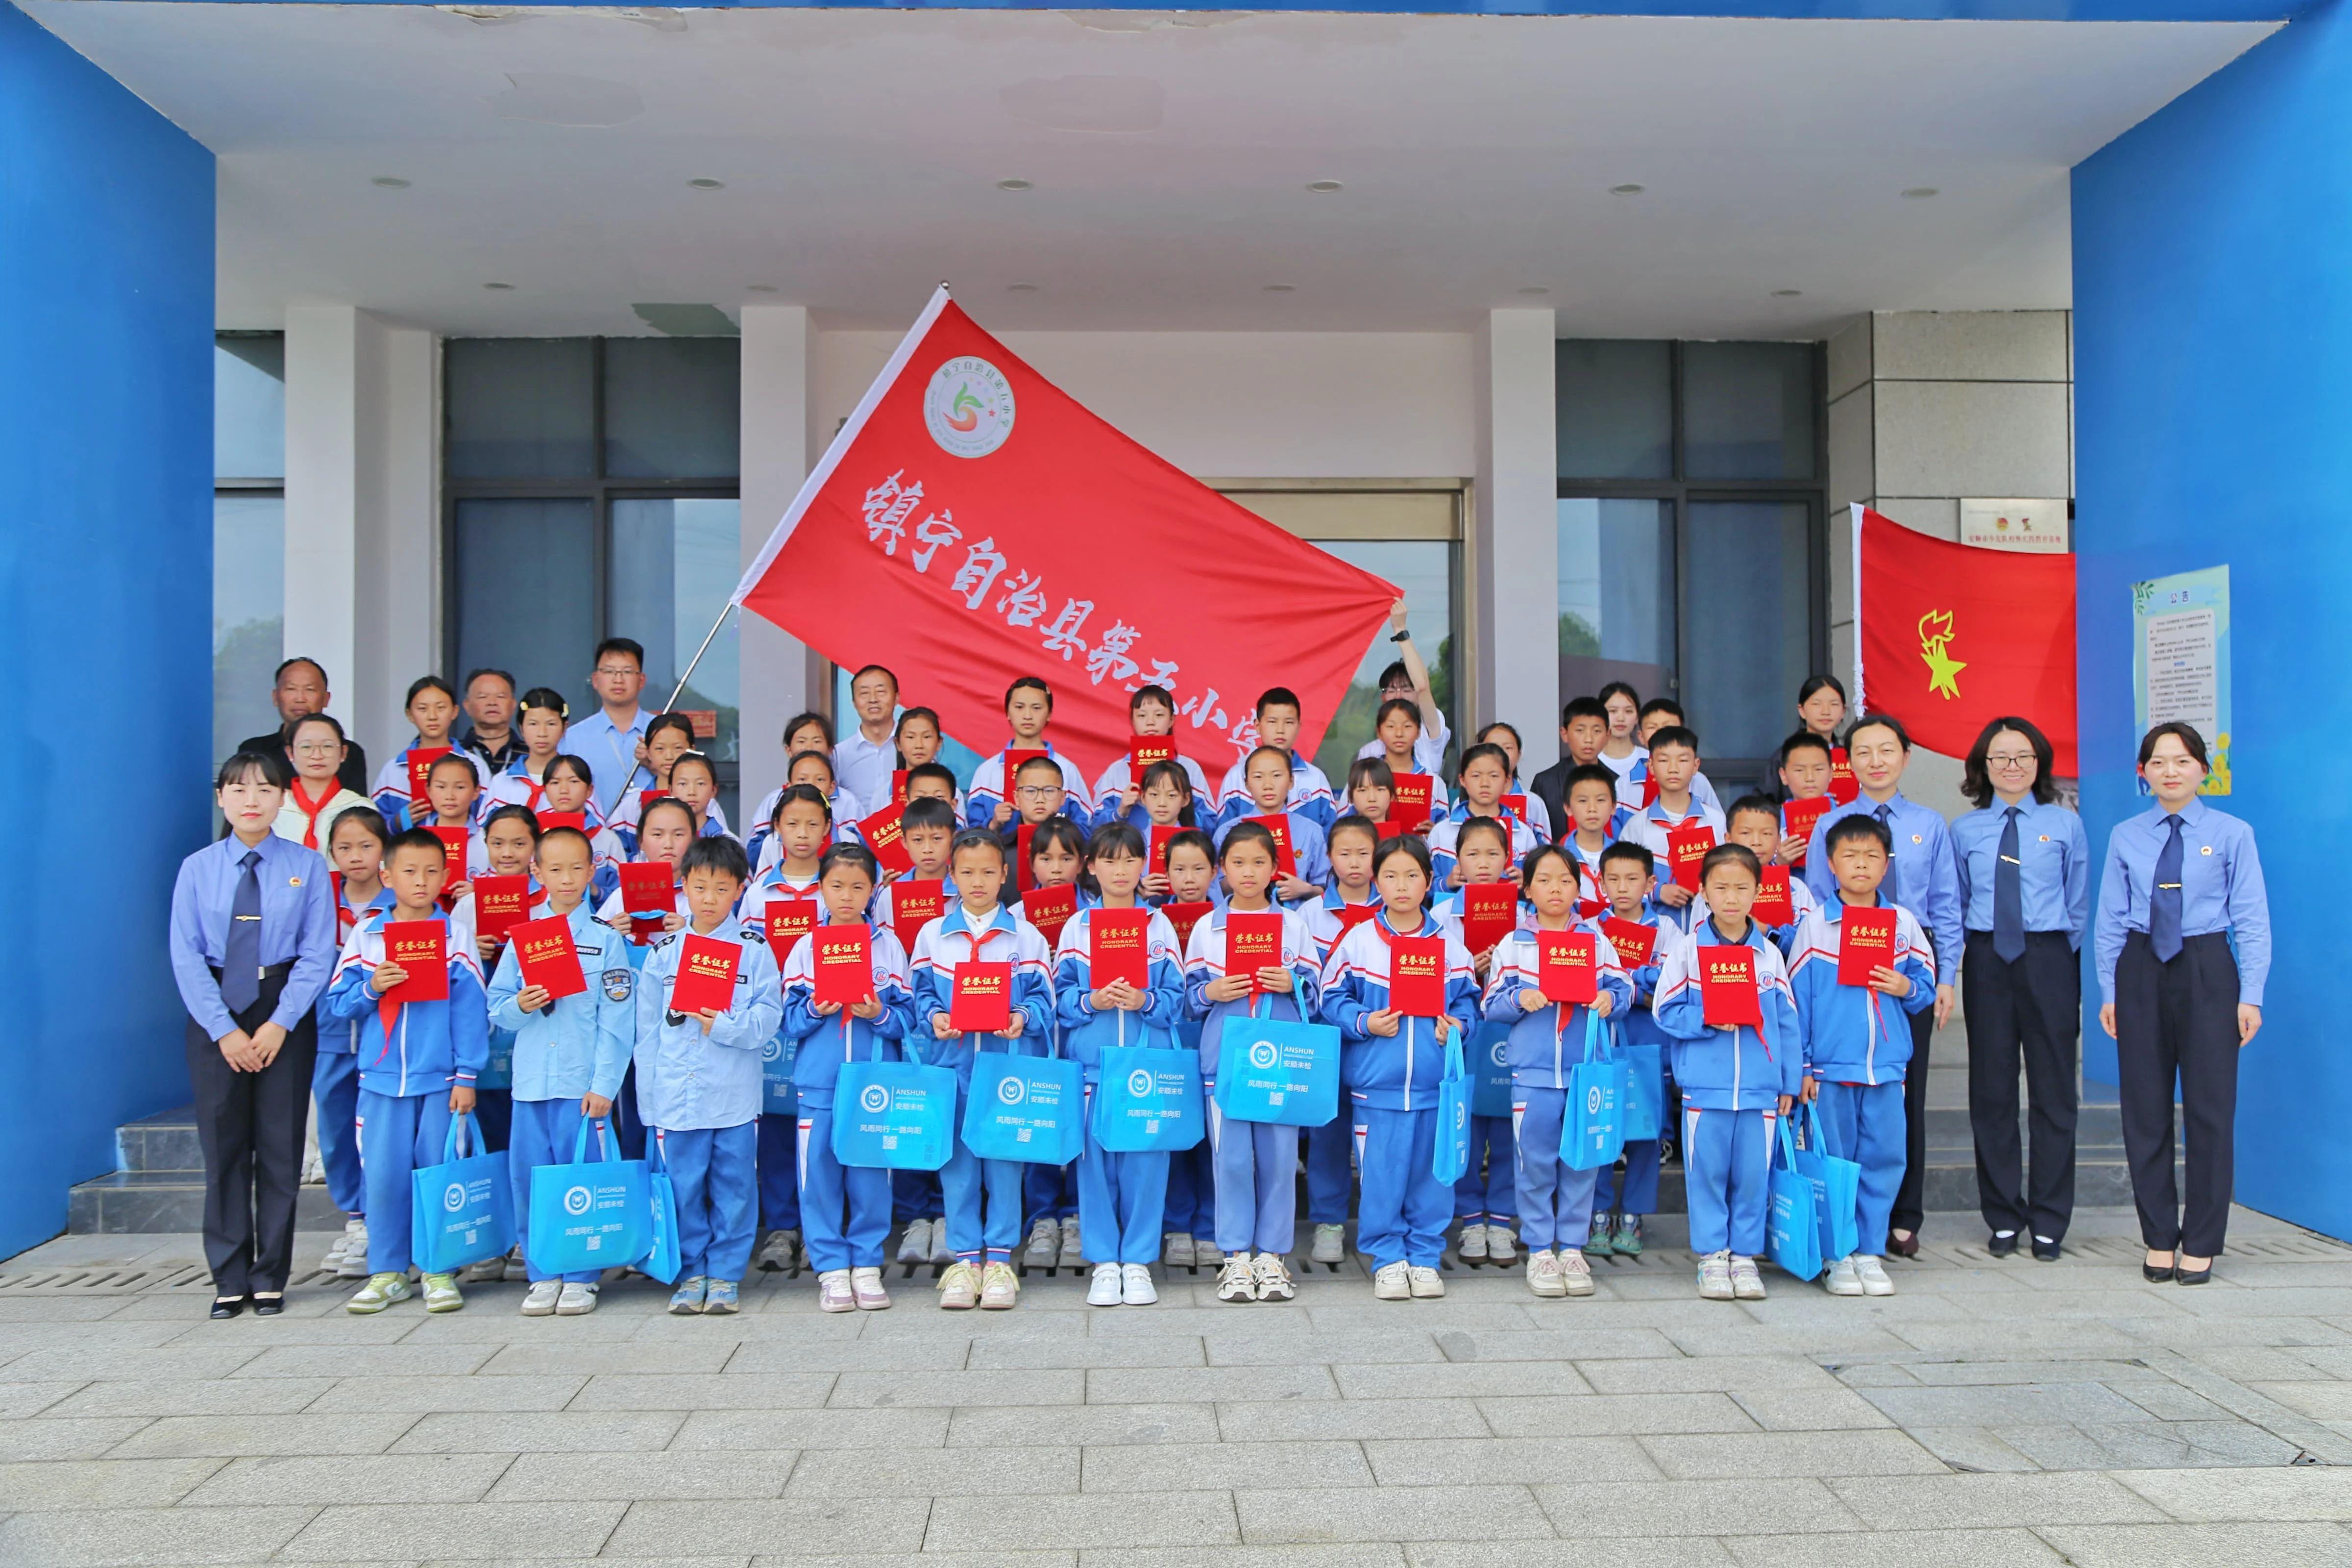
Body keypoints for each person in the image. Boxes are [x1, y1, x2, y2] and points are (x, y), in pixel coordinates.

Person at [2094, 722, 2269, 1286]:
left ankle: (2202, 1241)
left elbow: (2252, 918)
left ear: (2203, 769)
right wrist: (2109, 989)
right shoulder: (2126, 835)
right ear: (2142, 772)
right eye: (2158, 762)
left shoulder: (2233, 832)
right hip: (2140, 965)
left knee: (2210, 1109)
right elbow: (2109, 917)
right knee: (2144, 1109)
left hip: (2207, 965)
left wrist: (2251, 994)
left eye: (2183, 760)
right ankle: (2158, 1236)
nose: (2170, 771)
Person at [169, 750, 338, 1319]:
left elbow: (318, 951)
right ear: (221, 797)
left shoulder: (306, 865)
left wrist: (280, 1021)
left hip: (282, 1005)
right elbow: (186, 954)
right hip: (215, 1009)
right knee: (224, 1147)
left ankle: (270, 1274)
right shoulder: (197, 868)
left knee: (280, 1146)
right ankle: (228, 1275)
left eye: (264, 789)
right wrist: (224, 1029)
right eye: (239, 789)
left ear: (282, 798)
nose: (251, 800)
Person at [1801, 713, 1960, 1257]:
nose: (1876, 761)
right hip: (1839, 962)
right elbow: (1816, 896)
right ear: (1848, 761)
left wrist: (1945, 976)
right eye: (1863, 751)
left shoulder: (1929, 824)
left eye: (1887, 750)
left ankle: (1902, 1215)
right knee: (1845, 1093)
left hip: (1906, 962)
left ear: (1905, 757)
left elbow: (1946, 904)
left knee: (1902, 1091)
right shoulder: (1830, 823)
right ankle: (1846, 1222)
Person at [322, 826, 489, 1315]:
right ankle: (388, 1272)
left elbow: (471, 1011)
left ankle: (438, 1269)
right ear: (387, 875)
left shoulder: (454, 936)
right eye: (410, 871)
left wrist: (466, 1075)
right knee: (384, 1178)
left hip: (439, 1082)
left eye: (432, 871)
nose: (421, 881)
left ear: (445, 876)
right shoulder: (367, 935)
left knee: (438, 1175)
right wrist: (372, 986)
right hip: (380, 1083)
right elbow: (338, 1003)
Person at [1953, 715, 2092, 1261]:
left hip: (2049, 956)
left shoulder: (2065, 824)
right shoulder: (1965, 830)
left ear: (2039, 763)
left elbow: (2077, 901)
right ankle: (2004, 1215)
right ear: (1983, 766)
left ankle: (2051, 1218)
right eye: (2001, 758)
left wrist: (2054, 953)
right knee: (1991, 1092)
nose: (2012, 766)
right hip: (1988, 958)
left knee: (2054, 1092)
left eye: (2023, 757)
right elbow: (1960, 899)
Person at [1320, 834, 1479, 1301]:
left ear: (1429, 881)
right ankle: (1387, 1257)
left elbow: (1469, 1002)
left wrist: (1459, 1027)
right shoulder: (1359, 941)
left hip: (1434, 1087)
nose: (1402, 885)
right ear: (1377, 882)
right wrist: (1364, 1022)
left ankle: (1426, 1256)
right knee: (1382, 1179)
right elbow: (1331, 998)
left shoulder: (1449, 945)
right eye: (1391, 876)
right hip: (1378, 1089)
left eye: (1412, 876)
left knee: (1433, 1178)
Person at [485, 824, 635, 1317]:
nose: (567, 879)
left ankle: (582, 1275)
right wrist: (520, 1005)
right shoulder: (524, 938)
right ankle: (543, 1271)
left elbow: (618, 1020)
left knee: (581, 1179)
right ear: (537, 872)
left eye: (576, 868)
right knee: (531, 1181)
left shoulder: (605, 941)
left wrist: (604, 1084)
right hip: (532, 1083)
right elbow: (497, 1006)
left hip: (580, 1085)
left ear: (592, 871)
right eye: (555, 869)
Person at [1787, 814, 1936, 1297]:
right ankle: (1837, 1253)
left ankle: (1869, 1250)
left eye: (1872, 856)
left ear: (1886, 864)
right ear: (1831, 864)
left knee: (1884, 1159)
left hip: (1886, 1068)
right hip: (1831, 1069)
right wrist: (1803, 1066)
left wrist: (1905, 985)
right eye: (1850, 856)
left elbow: (1926, 988)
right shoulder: (1815, 926)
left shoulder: (1904, 924)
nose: (1861, 865)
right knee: (1835, 1163)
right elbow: (1797, 1002)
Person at [909, 829, 1057, 1310]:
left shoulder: (1026, 936)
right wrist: (936, 1017)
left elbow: (1044, 997)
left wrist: (1023, 1017)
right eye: (968, 872)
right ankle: (964, 1259)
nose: (978, 881)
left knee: (1004, 1166)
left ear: (1004, 874)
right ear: (952, 875)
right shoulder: (933, 934)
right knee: (957, 1169)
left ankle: (999, 1260)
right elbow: (920, 994)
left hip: (1005, 1072)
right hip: (952, 1070)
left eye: (989, 872)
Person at [637, 835, 781, 1316]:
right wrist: (648, 1100)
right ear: (684, 887)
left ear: (740, 889)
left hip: (733, 1096)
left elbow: (768, 1018)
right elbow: (647, 1033)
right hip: (676, 1094)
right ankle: (690, 1271)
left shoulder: (754, 950)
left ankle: (725, 1274)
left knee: (734, 1188)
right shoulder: (664, 953)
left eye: (722, 889)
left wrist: (723, 1025)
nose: (710, 899)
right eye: (700, 887)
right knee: (683, 1188)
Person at [1481, 843, 1631, 1298]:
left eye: (1566, 881)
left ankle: (1572, 1247)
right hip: (1533, 1074)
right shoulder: (1515, 944)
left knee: (1582, 1161)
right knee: (1534, 1162)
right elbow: (1490, 1004)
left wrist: (1609, 999)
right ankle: (1539, 1248)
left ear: (1578, 889)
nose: (1555, 889)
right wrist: (1518, 999)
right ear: (1527, 889)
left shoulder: (1596, 941)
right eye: (1544, 880)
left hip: (1585, 1073)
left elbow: (1624, 989)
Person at [1654, 844, 1801, 1301]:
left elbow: (1788, 1022)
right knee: (1708, 1175)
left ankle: (1745, 1256)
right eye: (1721, 888)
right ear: (1703, 891)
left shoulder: (1769, 955)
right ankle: (1713, 1256)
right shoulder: (1688, 951)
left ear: (1758, 892)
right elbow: (1664, 1010)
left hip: (1760, 1090)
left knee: (1754, 1177)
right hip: (1706, 1089)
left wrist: (1788, 1081)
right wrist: (1706, 1019)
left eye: (1742, 888)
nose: (1732, 898)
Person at [1185, 821, 1322, 1303]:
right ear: (1221, 869)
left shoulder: (1294, 926)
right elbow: (1188, 998)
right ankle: (1237, 1256)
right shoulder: (1207, 927)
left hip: (1280, 1060)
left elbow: (1317, 993)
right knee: (1232, 1160)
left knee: (1281, 1160)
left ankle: (1273, 1256)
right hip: (1225, 1060)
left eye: (1259, 862)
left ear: (1275, 869)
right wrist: (1213, 991)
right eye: (1238, 862)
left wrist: (1293, 984)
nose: (1248, 872)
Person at [1053, 822, 1188, 1307]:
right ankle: (1105, 1262)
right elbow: (1060, 1000)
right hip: (1092, 1068)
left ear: (1143, 864)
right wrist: (1091, 1000)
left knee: (1147, 1165)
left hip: (1146, 1067)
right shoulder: (1077, 927)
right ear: (1091, 867)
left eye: (1131, 860)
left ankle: (1138, 1260)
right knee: (1094, 1169)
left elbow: (1178, 999)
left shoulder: (1159, 926)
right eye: (1109, 860)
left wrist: (1144, 1000)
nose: (1120, 870)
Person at [779, 842, 915, 1313]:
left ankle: (867, 1262)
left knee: (871, 1175)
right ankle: (831, 1268)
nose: (846, 896)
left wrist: (878, 1015)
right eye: (837, 886)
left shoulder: (888, 946)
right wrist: (817, 1008)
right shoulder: (805, 947)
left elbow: (907, 1019)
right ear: (821, 888)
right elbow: (789, 1021)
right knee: (818, 1176)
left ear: (873, 890)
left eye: (858, 887)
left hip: (875, 1083)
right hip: (819, 1083)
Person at [1300, 814, 1382, 1264]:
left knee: (1381, 1137)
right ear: (1329, 858)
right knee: (1328, 1135)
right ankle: (1328, 1220)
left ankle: (1379, 1219)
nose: (1354, 863)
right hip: (1327, 1042)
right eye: (1344, 854)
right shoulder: (1309, 914)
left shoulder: (1393, 905)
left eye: (1364, 853)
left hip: (1381, 1042)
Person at [314, 805, 391, 1278]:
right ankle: (356, 1219)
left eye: (366, 845)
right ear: (331, 853)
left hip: (387, 1039)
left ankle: (383, 1222)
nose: (356, 856)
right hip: (331, 1032)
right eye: (344, 847)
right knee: (336, 1126)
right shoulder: (318, 899)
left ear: (384, 850)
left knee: (381, 1132)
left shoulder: (401, 901)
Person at [1588, 840, 1670, 1257]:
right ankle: (1598, 1213)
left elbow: (1668, 984)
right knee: (1600, 1126)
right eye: (1614, 879)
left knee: (1644, 1133)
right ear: (1600, 882)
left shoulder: (1668, 929)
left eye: (1633, 879)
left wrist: (1624, 984)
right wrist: (1639, 982)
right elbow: (1586, 981)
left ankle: (1634, 1215)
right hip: (1601, 1043)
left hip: (1647, 1044)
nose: (1623, 888)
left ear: (1651, 883)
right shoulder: (1589, 927)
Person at [966, 676, 1094, 831]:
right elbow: (972, 832)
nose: (1028, 715)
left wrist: (1058, 833)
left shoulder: (1067, 769)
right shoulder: (987, 771)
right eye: (1019, 707)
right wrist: (993, 823)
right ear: (1008, 713)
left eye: (1037, 708)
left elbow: (1086, 827)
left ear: (1049, 714)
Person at [234, 656, 369, 798]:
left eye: (310, 690)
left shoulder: (349, 753)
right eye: (291, 689)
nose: (300, 699)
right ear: (275, 697)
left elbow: (356, 808)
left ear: (326, 699)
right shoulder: (254, 751)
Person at [1212, 746, 1330, 905]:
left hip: (1297, 916)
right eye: (1258, 777)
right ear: (1246, 784)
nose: (1268, 785)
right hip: (1243, 916)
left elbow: (1326, 887)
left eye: (1277, 776)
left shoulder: (1311, 831)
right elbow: (1213, 889)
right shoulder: (1227, 832)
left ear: (1291, 781)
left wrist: (1306, 890)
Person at [1091, 685, 1214, 832]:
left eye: (1159, 715)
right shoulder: (1118, 770)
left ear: (1171, 720)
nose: (1151, 722)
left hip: (1175, 847)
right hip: (1131, 847)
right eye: (1142, 716)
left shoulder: (1190, 769)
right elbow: (1095, 828)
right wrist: (1121, 811)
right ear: (1132, 721)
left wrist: (1179, 807)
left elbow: (1211, 824)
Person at [1353, 599, 1453, 776]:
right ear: (1383, 698)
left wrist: (1400, 630)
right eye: (1392, 690)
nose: (1399, 696)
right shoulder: (1369, 753)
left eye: (1406, 689)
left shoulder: (1428, 732)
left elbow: (1422, 687)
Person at [1214, 687, 1336, 832]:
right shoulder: (1236, 777)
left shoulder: (1316, 779)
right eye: (1272, 722)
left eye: (1289, 722)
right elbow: (1224, 834)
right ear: (1257, 726)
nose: (1280, 730)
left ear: (1299, 726)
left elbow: (1331, 836)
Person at [369, 676, 490, 822]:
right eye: (423, 709)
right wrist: (399, 822)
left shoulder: (477, 766)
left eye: (441, 708)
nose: (432, 717)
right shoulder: (393, 770)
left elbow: (487, 821)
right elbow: (373, 825)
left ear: (455, 711)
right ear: (410, 714)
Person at [1427, 742, 1541, 887]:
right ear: (1463, 780)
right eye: (1476, 776)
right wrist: (1446, 883)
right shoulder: (1442, 831)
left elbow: (1539, 884)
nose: (1485, 783)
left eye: (1494, 776)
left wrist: (1527, 884)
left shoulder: (1524, 834)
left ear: (1507, 781)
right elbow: (1425, 884)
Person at [569, 637, 656, 817]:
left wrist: (655, 766)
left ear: (641, 681)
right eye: (609, 671)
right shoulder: (573, 738)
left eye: (627, 672)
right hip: (593, 833)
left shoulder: (662, 732)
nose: (618, 680)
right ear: (595, 680)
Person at [274, 714, 372, 852]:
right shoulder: (273, 807)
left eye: (327, 746)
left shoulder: (360, 807)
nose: (317, 755)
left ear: (343, 753)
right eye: (306, 747)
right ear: (290, 753)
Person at [484, 687, 576, 819]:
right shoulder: (501, 782)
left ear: (564, 728)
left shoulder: (578, 781)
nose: (542, 733)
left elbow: (593, 828)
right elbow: (486, 829)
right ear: (521, 728)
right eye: (533, 724)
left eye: (551, 724)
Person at [1530, 696, 1613, 842]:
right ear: (1565, 734)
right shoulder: (1545, 782)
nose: (1589, 739)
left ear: (1608, 735)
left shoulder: (1617, 781)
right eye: (1580, 730)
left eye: (1597, 731)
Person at [1760, 674, 1851, 799]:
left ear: (1843, 712)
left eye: (1834, 704)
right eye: (1817, 704)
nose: (1826, 712)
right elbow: (1764, 803)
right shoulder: (1784, 755)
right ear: (1802, 710)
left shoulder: (1849, 757)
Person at [835, 663, 903, 813]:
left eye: (881, 692)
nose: (873, 699)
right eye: (864, 693)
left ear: (897, 698)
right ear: (854, 703)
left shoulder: (911, 747)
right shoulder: (839, 755)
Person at [458, 667, 523, 775]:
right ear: (467, 706)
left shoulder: (531, 754)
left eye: (500, 697)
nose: (492, 703)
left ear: (513, 705)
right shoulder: (455, 752)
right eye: (483, 697)